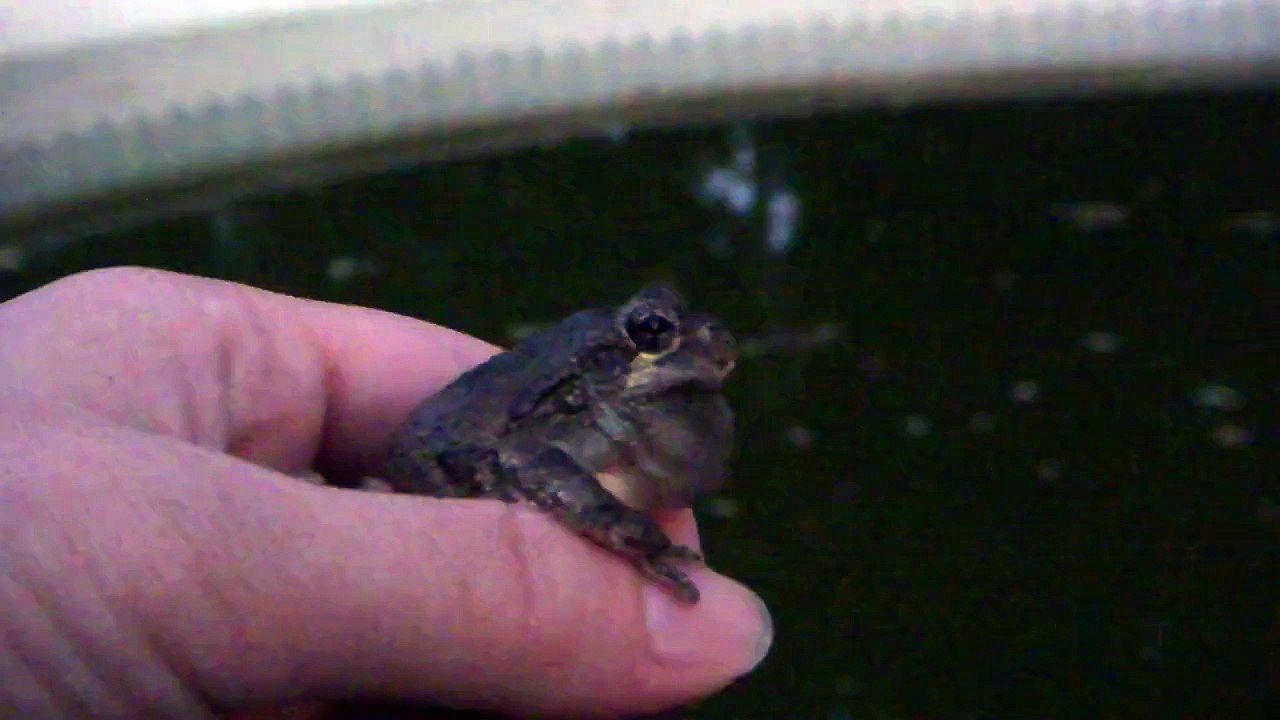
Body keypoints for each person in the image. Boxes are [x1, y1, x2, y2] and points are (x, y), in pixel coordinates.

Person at [0, 267, 772, 719]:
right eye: (652, 333)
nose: (689, 345)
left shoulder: (633, 403)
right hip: (458, 462)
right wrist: (636, 542)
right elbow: (541, 468)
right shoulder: (579, 397)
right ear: (614, 356)